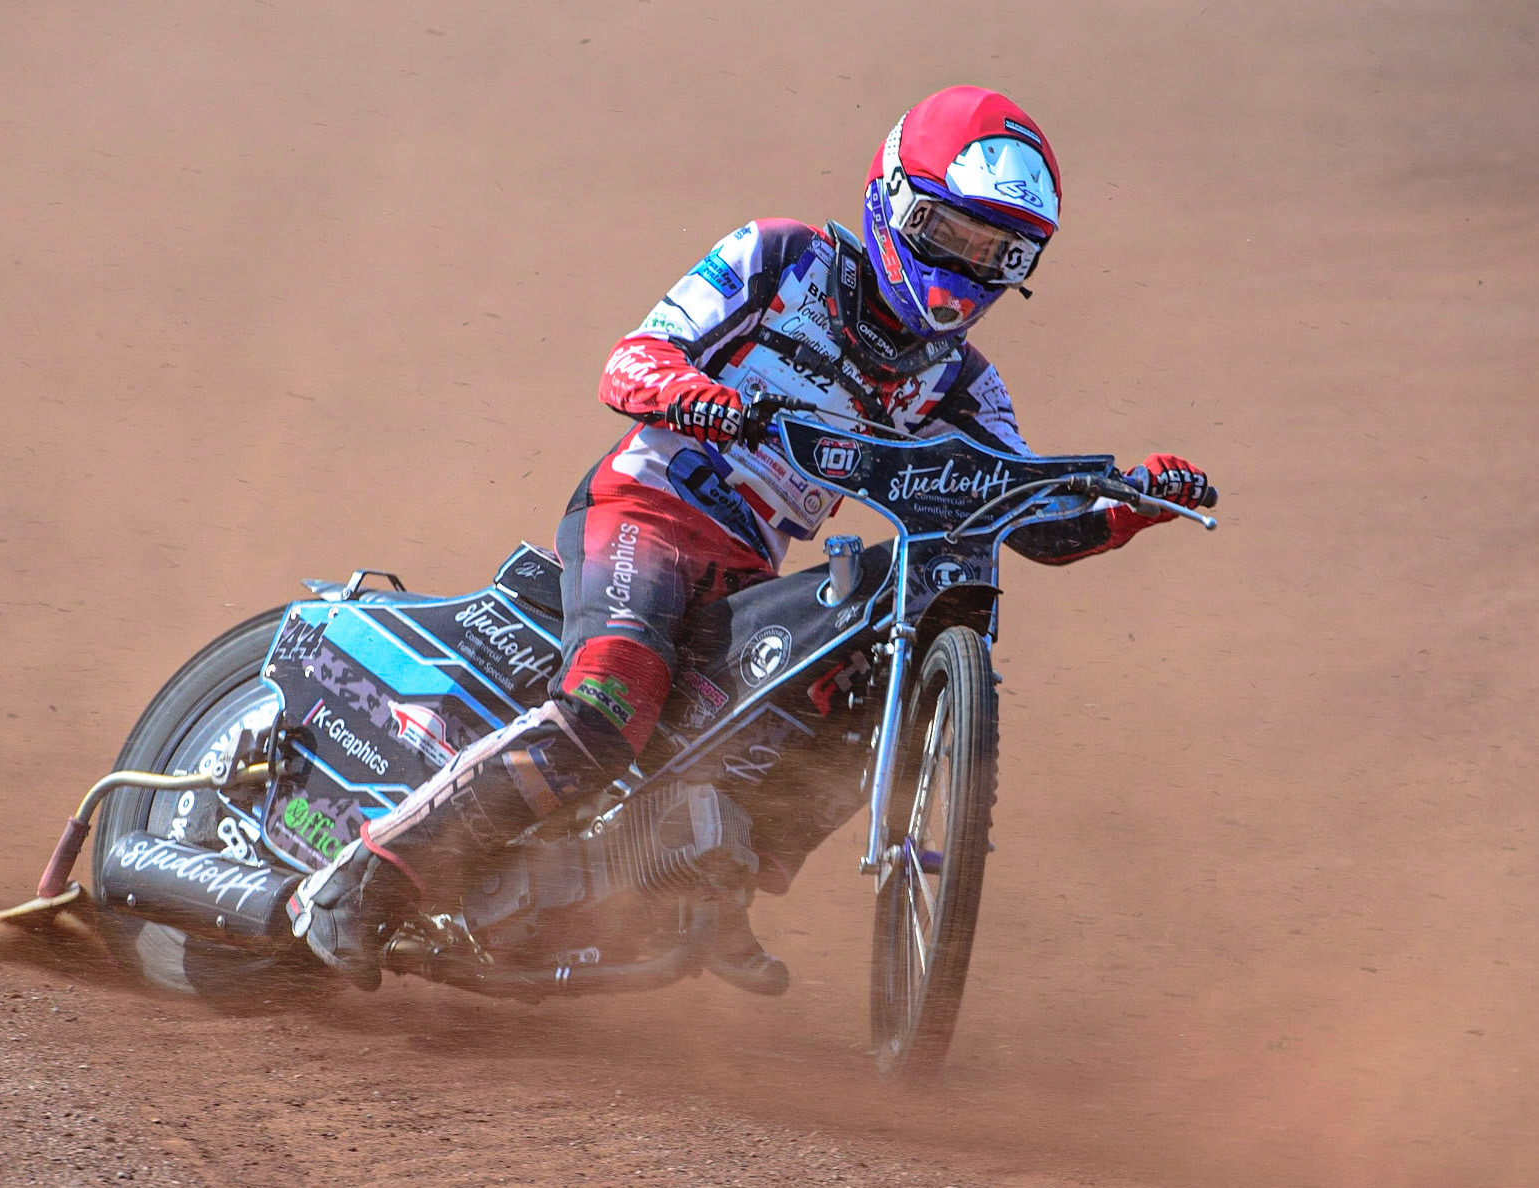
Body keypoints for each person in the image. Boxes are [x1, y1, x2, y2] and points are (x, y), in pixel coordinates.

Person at [289, 85, 1209, 992]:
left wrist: (1131, 504)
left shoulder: (964, 387)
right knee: (610, 706)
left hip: (745, 571)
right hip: (648, 509)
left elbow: (1028, 518)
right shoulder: (781, 258)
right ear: (892, 201)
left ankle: (707, 885)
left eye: (995, 252)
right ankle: (361, 883)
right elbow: (633, 357)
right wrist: (688, 393)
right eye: (947, 236)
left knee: (858, 674)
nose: (965, 269)